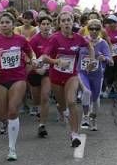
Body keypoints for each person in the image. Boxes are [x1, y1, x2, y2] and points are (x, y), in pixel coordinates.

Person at [0, 12, 33, 161]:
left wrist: (30, 64)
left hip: (18, 77)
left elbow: (30, 53)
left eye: (7, 22)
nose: (4, 25)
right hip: (0, 79)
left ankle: (12, 148)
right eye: (2, 22)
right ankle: (4, 123)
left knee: (12, 110)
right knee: (2, 113)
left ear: (13, 24)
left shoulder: (21, 39)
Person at [41, 11, 95, 148]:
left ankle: (74, 134)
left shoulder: (78, 38)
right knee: (63, 105)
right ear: (59, 23)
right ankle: (63, 111)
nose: (66, 23)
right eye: (63, 20)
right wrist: (56, 61)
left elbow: (89, 46)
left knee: (72, 102)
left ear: (73, 22)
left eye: (68, 20)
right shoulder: (54, 38)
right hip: (56, 77)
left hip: (72, 76)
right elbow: (44, 57)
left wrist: (91, 60)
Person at [78, 19, 112, 131]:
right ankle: (86, 117)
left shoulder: (103, 43)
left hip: (97, 75)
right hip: (83, 73)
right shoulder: (82, 41)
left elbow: (111, 60)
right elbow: (73, 51)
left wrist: (104, 58)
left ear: (100, 30)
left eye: (96, 29)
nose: (94, 31)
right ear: (87, 29)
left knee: (96, 100)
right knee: (87, 92)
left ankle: (93, 118)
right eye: (91, 28)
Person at [28, 16, 53, 138]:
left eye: (48, 24)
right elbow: (26, 56)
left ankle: (42, 125)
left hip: (48, 72)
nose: (46, 26)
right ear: (39, 26)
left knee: (45, 96)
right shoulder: (34, 40)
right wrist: (36, 69)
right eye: (43, 24)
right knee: (37, 100)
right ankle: (38, 111)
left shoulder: (54, 39)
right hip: (34, 72)